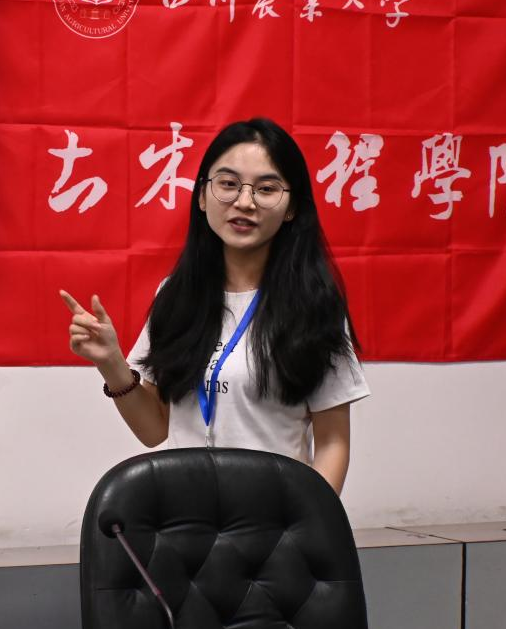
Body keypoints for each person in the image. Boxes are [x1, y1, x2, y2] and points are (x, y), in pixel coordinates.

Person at [60, 118, 367, 494]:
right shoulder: (176, 295)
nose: (244, 202)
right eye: (228, 184)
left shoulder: (314, 306)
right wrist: (111, 363)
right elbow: (154, 430)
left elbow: (333, 442)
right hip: (184, 516)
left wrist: (311, 520)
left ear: (291, 208)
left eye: (266, 188)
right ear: (203, 197)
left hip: (274, 518)